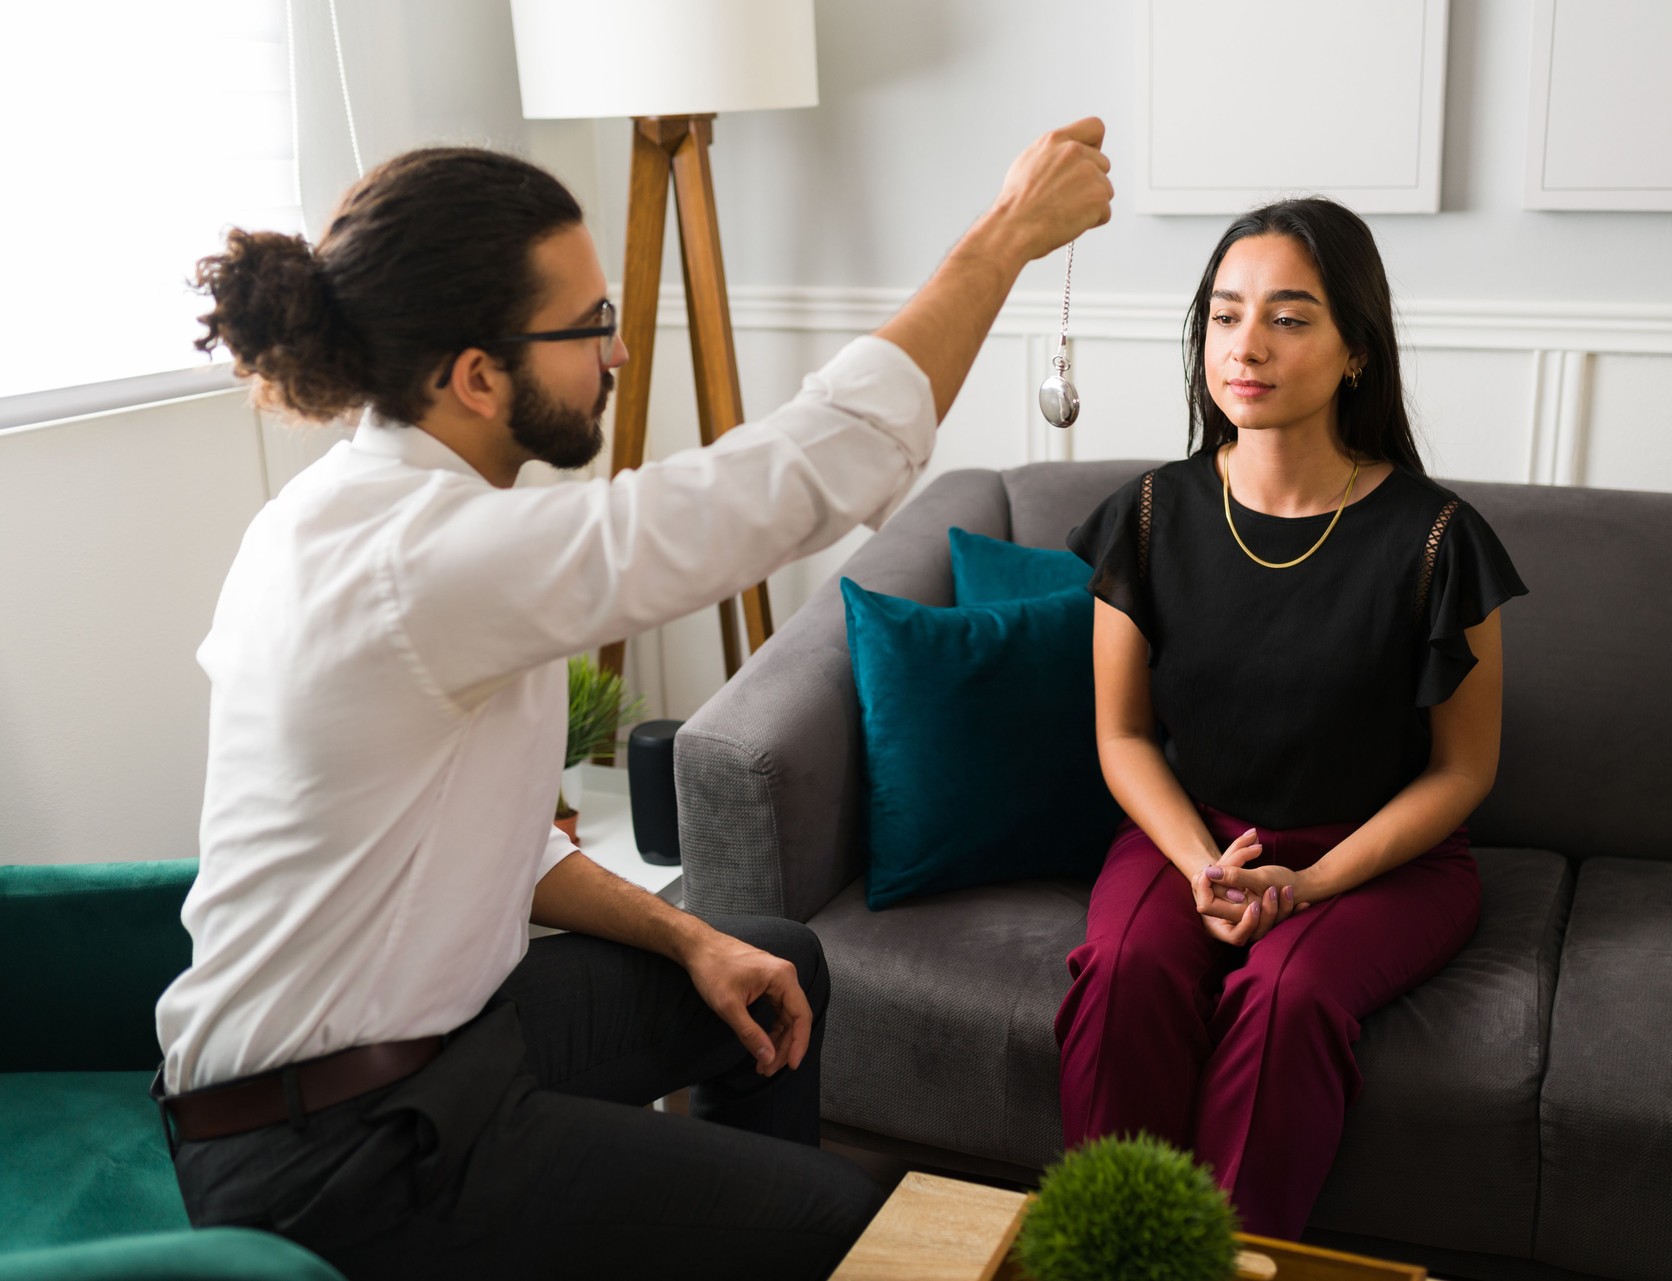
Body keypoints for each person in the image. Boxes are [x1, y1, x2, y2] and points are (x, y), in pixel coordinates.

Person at [153, 122, 1111, 1280]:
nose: (615, 355)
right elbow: (802, 478)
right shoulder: (423, 558)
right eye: (591, 325)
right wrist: (1008, 237)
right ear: (474, 375)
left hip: (422, 1045)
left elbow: (482, 843)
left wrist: (689, 937)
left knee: (768, 966)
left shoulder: (356, 511)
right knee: (841, 1226)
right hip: (335, 1145)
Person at [1053, 198, 1528, 1241]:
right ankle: (1110, 1253)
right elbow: (1124, 735)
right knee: (1126, 972)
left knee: (1286, 1000)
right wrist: (1199, 866)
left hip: (1382, 861)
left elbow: (1463, 771)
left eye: (1290, 317)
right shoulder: (1148, 516)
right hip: (1195, 836)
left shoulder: (1441, 538)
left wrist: (1309, 886)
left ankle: (1229, 1262)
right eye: (1225, 316)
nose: (1248, 346)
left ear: (1358, 349)